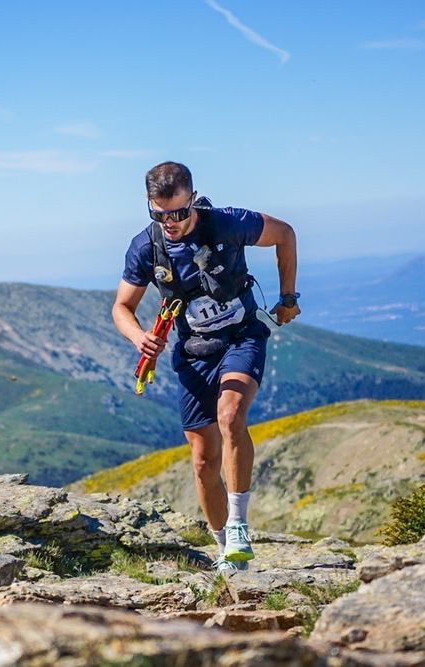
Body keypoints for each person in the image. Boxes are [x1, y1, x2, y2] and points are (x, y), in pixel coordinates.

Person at [112, 161, 299, 575]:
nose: (171, 222)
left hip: (242, 336)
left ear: (193, 200)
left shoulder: (227, 223)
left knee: (231, 415)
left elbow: (284, 234)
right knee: (202, 460)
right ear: (148, 206)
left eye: (179, 213)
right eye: (160, 215)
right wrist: (137, 337)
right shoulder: (146, 248)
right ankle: (225, 554)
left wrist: (287, 297)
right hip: (194, 354)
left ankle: (238, 527)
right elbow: (121, 307)